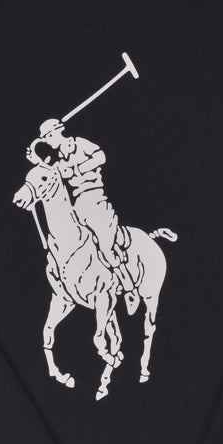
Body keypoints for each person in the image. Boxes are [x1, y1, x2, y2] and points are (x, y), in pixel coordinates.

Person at [34, 118, 139, 314]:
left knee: (106, 247)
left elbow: (101, 157)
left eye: (48, 137)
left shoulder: (79, 144)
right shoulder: (59, 161)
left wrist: (76, 169)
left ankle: (129, 287)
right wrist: (36, 160)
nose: (47, 141)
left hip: (96, 199)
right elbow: (49, 175)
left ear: (57, 132)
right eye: (45, 139)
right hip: (77, 205)